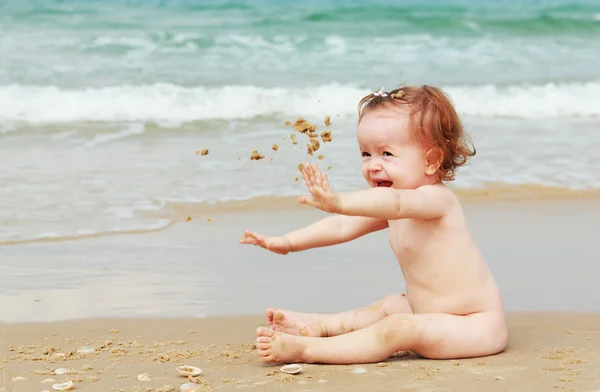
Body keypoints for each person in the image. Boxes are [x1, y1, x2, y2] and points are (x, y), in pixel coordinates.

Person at [238, 85, 508, 365]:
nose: (373, 166)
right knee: (392, 305)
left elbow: (396, 203)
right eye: (366, 154)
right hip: (430, 315)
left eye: (386, 154)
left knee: (398, 327)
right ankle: (320, 325)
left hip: (474, 326)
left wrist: (338, 201)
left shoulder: (437, 202)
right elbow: (343, 226)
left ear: (431, 160)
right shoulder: (393, 204)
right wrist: (289, 242)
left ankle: (306, 350)